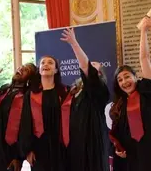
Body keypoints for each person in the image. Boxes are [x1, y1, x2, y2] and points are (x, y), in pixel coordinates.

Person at [61, 28, 110, 171]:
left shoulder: (99, 89)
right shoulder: (74, 92)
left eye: (94, 66)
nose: (90, 67)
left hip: (92, 144)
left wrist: (73, 43)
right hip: (75, 143)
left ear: (99, 73)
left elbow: (85, 66)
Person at [109, 17, 151, 171]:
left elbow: (144, 58)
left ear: (135, 77)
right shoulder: (119, 105)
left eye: (127, 76)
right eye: (120, 80)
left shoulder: (146, 91)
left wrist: (143, 31)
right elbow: (116, 134)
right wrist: (118, 149)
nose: (124, 81)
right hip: (131, 158)